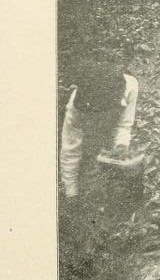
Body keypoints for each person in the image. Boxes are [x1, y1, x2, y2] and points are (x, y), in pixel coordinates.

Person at [59, 62, 139, 200]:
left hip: (110, 119)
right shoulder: (76, 109)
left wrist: (120, 149)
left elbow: (124, 124)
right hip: (88, 126)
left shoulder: (130, 86)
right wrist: (71, 193)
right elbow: (70, 151)